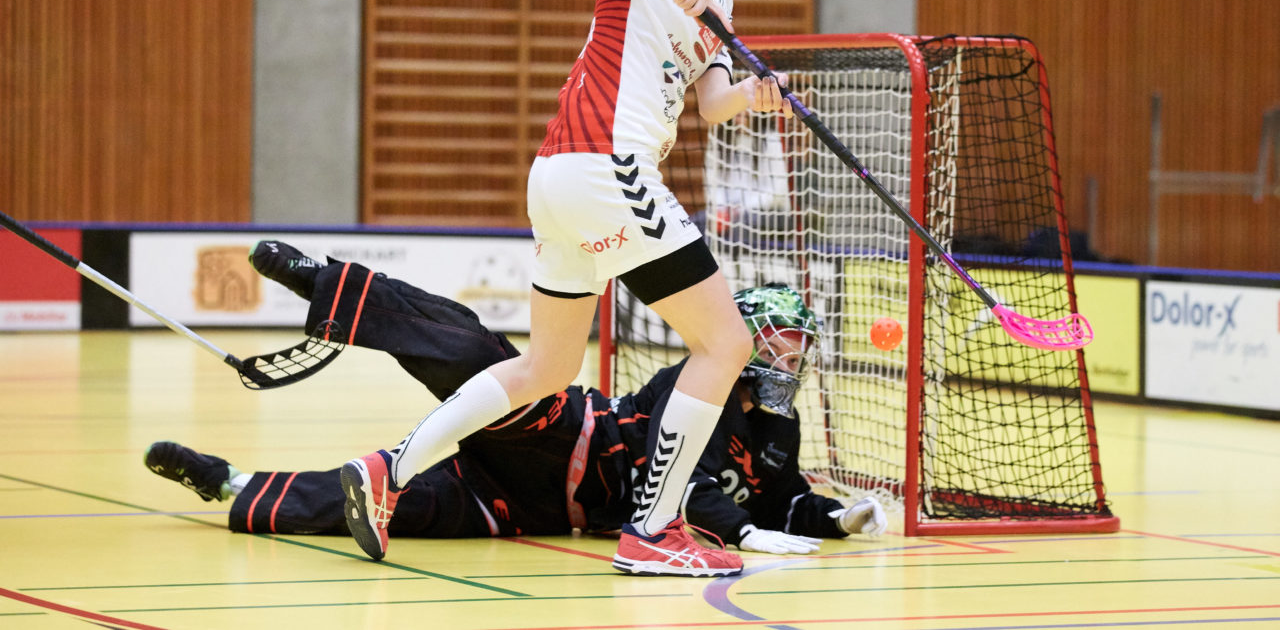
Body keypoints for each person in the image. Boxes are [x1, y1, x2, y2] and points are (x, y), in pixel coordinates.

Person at [336, 0, 794, 576]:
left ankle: (390, 468)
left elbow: (709, 103)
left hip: (567, 180)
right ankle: (654, 528)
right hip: (603, 167)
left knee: (547, 366)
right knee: (727, 343)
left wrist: (756, 94)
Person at [145, 244, 886, 559]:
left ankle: (228, 482)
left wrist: (834, 518)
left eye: (801, 343)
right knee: (474, 352)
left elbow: (782, 499)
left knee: (377, 507)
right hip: (566, 436)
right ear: (748, 339)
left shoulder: (780, 428)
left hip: (525, 509)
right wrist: (746, 538)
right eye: (784, 339)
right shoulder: (698, 383)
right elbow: (681, 489)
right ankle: (328, 281)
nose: (796, 356)